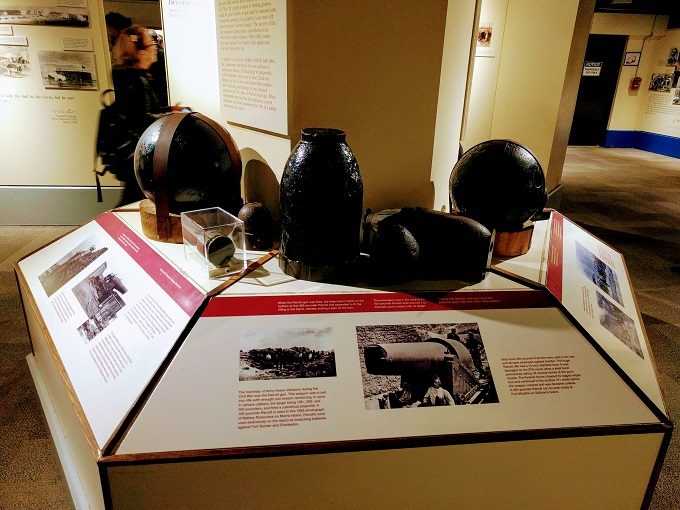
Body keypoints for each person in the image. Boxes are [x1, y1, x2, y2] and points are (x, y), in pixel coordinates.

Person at [110, 26, 183, 206]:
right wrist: (170, 115)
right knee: (135, 196)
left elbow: (140, 110)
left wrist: (169, 109)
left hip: (134, 147)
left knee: (134, 194)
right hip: (138, 149)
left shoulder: (130, 76)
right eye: (151, 44)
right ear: (140, 52)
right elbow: (142, 119)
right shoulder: (137, 80)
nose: (154, 48)